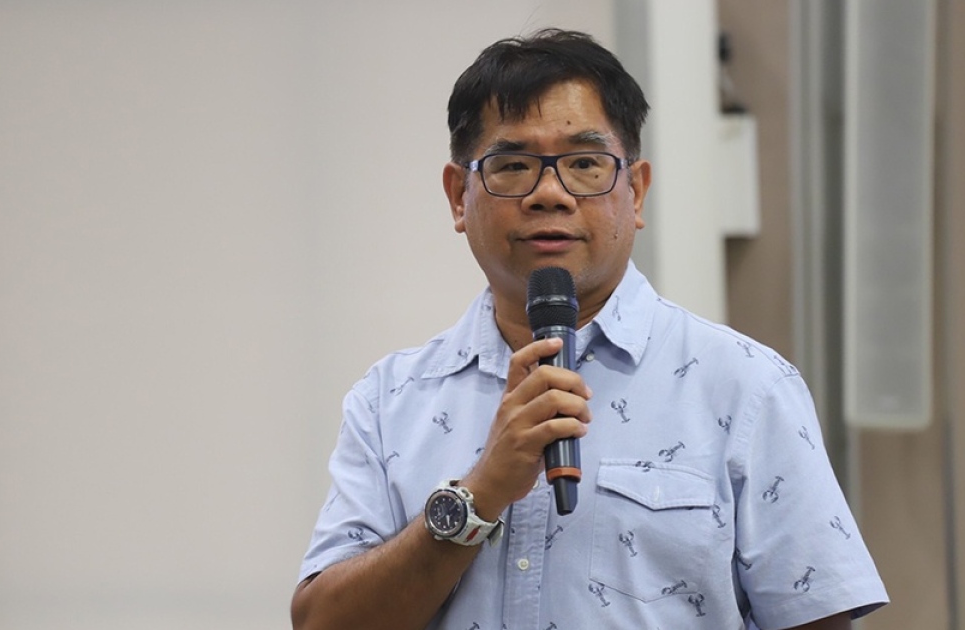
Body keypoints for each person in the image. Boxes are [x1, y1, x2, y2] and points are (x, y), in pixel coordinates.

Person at [290, 28, 887, 630]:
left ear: (636, 191)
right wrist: (479, 494)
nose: (550, 193)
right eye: (513, 165)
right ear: (458, 196)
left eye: (584, 164)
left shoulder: (746, 387)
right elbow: (322, 622)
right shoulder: (391, 400)